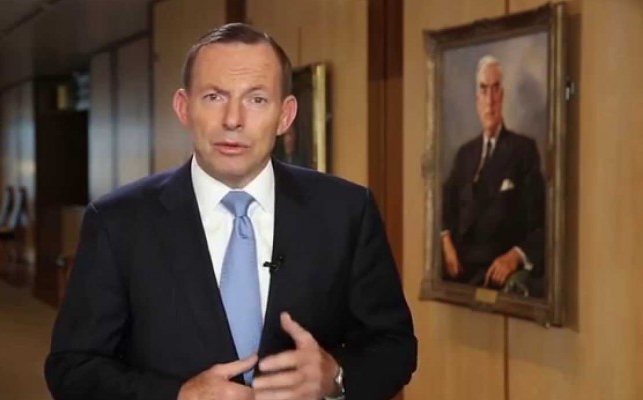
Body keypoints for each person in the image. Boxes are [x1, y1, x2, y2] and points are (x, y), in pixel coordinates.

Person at [45, 23, 416, 400]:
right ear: (184, 108)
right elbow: (71, 368)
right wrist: (178, 396)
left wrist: (336, 377)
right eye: (214, 97)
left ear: (285, 115)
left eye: (256, 99)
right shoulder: (118, 223)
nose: (233, 119)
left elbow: (395, 346)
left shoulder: (346, 211)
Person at [441, 55, 545, 291]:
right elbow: (445, 205)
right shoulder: (465, 154)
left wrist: (515, 256)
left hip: (495, 276)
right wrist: (446, 242)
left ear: (502, 96)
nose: (490, 100)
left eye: (495, 89)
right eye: (483, 89)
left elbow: (541, 227)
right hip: (459, 273)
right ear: (476, 99)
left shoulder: (523, 150)